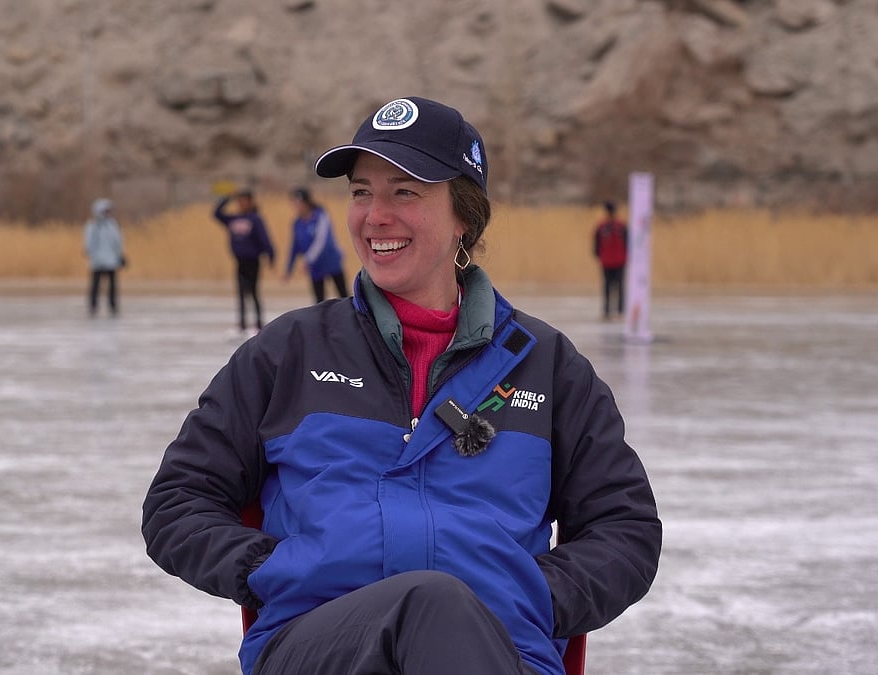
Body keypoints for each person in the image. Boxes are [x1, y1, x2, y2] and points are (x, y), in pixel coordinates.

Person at [143, 97, 662, 675]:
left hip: (501, 648)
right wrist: (270, 568)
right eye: (361, 192)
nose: (374, 215)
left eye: (404, 192)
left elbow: (625, 527)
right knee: (429, 603)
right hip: (320, 645)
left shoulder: (546, 367)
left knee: (442, 611)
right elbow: (176, 502)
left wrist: (533, 593)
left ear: (465, 213)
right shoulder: (288, 352)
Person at [213, 189, 275, 333]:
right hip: (240, 262)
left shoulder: (255, 219)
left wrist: (271, 255)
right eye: (239, 200)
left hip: (253, 262)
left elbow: (264, 238)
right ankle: (242, 325)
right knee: (241, 293)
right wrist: (226, 198)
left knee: (254, 292)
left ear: (250, 201)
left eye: (244, 200)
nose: (241, 203)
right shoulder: (233, 219)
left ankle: (259, 324)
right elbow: (216, 214)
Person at [285, 187, 348, 303]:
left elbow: (321, 241)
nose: (295, 206)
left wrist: (308, 259)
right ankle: (322, 321)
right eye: (293, 203)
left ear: (306, 202)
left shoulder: (321, 216)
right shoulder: (297, 223)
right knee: (319, 301)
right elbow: (294, 246)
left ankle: (351, 320)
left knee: (343, 295)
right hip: (316, 268)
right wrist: (289, 268)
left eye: (298, 203)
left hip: (331, 261)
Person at [84, 197, 125, 317]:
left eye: (109, 211)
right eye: (105, 211)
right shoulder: (92, 226)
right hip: (97, 261)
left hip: (111, 260)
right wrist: (91, 254)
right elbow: (88, 243)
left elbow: (118, 241)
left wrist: (120, 255)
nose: (108, 213)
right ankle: (93, 306)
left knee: (112, 285)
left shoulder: (112, 225)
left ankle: (113, 306)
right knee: (95, 284)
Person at [592, 200, 628, 319]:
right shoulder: (620, 226)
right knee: (616, 286)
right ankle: (617, 311)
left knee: (610, 286)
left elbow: (596, 244)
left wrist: (598, 255)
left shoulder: (604, 226)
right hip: (616, 260)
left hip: (611, 260)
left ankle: (610, 311)